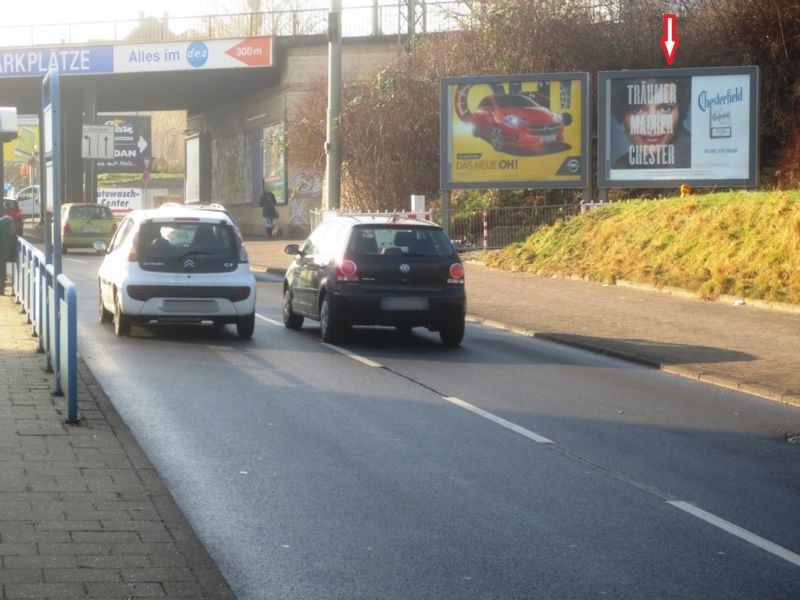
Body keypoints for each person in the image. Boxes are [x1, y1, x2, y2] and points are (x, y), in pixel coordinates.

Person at [611, 77, 691, 170]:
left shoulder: (697, 156)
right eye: (637, 110)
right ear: (621, 115)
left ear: (680, 112)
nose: (652, 127)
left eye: (665, 108)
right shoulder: (622, 166)